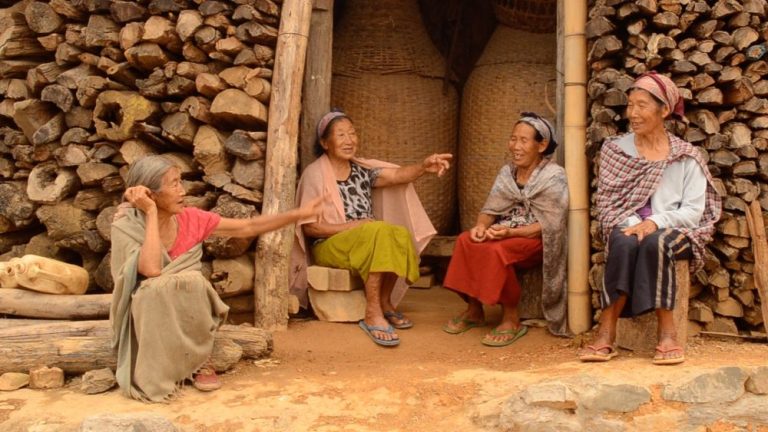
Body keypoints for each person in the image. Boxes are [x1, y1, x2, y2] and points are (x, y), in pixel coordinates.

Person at [110, 155, 321, 402]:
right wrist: (152, 213)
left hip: (188, 311)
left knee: (194, 282)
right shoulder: (125, 226)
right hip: (150, 316)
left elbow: (248, 227)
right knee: (154, 290)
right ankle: (165, 366)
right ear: (150, 194)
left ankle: (199, 359)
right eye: (174, 184)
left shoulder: (191, 219)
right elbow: (152, 269)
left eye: (181, 182)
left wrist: (298, 214)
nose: (183, 191)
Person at [579, 72, 721, 365]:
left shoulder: (685, 157)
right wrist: (635, 224)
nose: (633, 113)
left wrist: (655, 222)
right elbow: (608, 202)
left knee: (656, 243)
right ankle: (606, 333)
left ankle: (667, 332)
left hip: (676, 228)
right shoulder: (615, 150)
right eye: (630, 105)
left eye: (642, 105)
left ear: (664, 110)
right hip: (625, 222)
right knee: (623, 244)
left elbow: (694, 212)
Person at [291, 109, 451, 347]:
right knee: (376, 230)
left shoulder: (362, 170)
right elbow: (311, 228)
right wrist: (353, 227)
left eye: (352, 133)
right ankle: (372, 312)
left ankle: (385, 302)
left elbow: (397, 175)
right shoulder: (315, 174)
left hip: (365, 237)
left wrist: (422, 167)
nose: (349, 140)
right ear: (325, 143)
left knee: (397, 232)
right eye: (341, 135)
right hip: (329, 246)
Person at [442, 112, 569, 345]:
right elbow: (490, 209)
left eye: (523, 140)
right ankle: (473, 309)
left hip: (537, 238)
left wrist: (510, 233)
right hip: (504, 232)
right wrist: (480, 227)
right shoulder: (506, 173)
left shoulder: (554, 176)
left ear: (541, 145)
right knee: (465, 241)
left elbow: (550, 224)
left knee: (497, 252)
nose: (516, 146)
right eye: (513, 139)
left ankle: (511, 318)